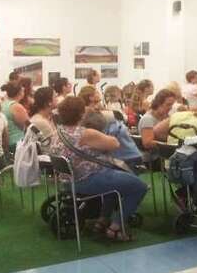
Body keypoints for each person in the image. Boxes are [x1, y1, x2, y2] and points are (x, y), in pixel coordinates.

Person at [49, 97, 147, 241]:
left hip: (68, 181)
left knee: (114, 182)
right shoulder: (85, 133)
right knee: (139, 187)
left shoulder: (57, 132)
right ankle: (115, 227)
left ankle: (103, 219)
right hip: (88, 180)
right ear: (81, 114)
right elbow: (114, 144)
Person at [2, 82, 29, 153]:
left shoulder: (3, 104)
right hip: (17, 143)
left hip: (8, 142)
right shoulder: (16, 106)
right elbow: (26, 125)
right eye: (23, 90)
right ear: (20, 92)